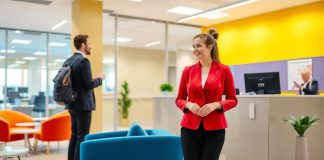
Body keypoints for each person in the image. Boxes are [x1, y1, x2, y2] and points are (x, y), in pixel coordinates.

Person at [175, 29, 238, 160]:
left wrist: (216, 105)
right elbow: (179, 99)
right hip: (190, 127)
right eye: (193, 46)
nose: (195, 49)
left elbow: (233, 100)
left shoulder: (224, 70)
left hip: (215, 128)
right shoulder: (188, 71)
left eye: (198, 45)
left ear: (210, 47)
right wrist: (188, 104)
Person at [65, 34, 105, 160]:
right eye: (89, 44)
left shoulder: (69, 60)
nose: (90, 47)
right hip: (83, 105)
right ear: (83, 45)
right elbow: (88, 85)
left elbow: (77, 81)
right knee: (82, 137)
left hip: (72, 103)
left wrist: (92, 78)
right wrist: (100, 79)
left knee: (74, 135)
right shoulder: (84, 61)